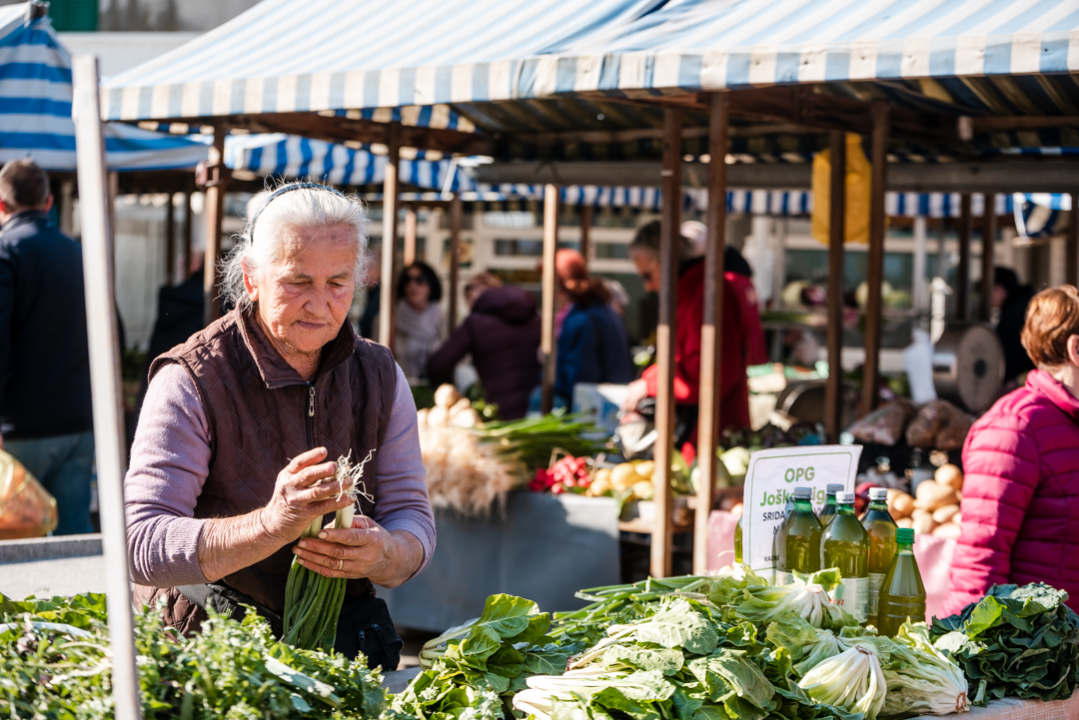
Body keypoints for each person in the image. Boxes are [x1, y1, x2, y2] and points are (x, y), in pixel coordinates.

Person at [125, 183, 435, 669]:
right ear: (251, 278)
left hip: (342, 648)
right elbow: (141, 543)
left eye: (337, 283)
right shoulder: (192, 377)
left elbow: (412, 516)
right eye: (297, 281)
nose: (318, 304)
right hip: (213, 650)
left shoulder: (379, 374)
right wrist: (270, 525)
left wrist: (384, 554)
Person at [944, 286, 1079, 614]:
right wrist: (973, 652)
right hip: (1038, 652)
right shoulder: (1014, 426)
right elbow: (980, 559)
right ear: (1076, 349)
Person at [0, 159, 94, 535]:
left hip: (21, 427)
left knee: (13, 542)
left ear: (2, 205)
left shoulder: (6, 251)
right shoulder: (79, 253)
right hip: (79, 420)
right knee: (74, 540)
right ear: (49, 202)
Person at [621, 220, 749, 463]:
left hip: (711, 437)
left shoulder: (705, 295)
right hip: (698, 434)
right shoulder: (691, 292)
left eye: (646, 276)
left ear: (665, 262)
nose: (647, 287)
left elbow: (709, 374)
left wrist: (650, 384)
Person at [427, 273, 540, 419]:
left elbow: (439, 363)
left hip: (500, 410)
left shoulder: (475, 322)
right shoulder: (533, 316)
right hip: (537, 406)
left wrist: (448, 391)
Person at [554, 249, 634, 406]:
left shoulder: (582, 317)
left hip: (597, 406)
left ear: (560, 285)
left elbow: (580, 374)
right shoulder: (599, 307)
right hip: (609, 400)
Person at [393, 261, 444, 381]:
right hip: (399, 389)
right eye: (407, 280)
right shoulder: (388, 320)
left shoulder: (444, 319)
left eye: (420, 279)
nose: (412, 285)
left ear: (431, 286)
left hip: (440, 391)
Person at [993, 266, 1036, 383]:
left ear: (999, 289)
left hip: (1022, 379)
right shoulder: (1028, 303)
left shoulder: (1013, 313)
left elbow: (1009, 355)